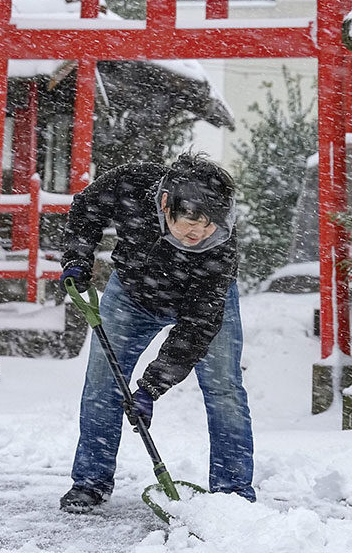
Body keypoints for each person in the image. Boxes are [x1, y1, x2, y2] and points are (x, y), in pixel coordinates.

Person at [58, 153, 255, 513]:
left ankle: (233, 493)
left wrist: (151, 388)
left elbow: (197, 327)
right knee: (102, 384)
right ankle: (90, 482)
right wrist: (77, 257)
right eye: (191, 223)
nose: (199, 234)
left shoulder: (221, 250)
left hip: (200, 302)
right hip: (132, 294)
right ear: (166, 204)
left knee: (224, 388)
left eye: (209, 226)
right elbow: (87, 208)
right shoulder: (131, 182)